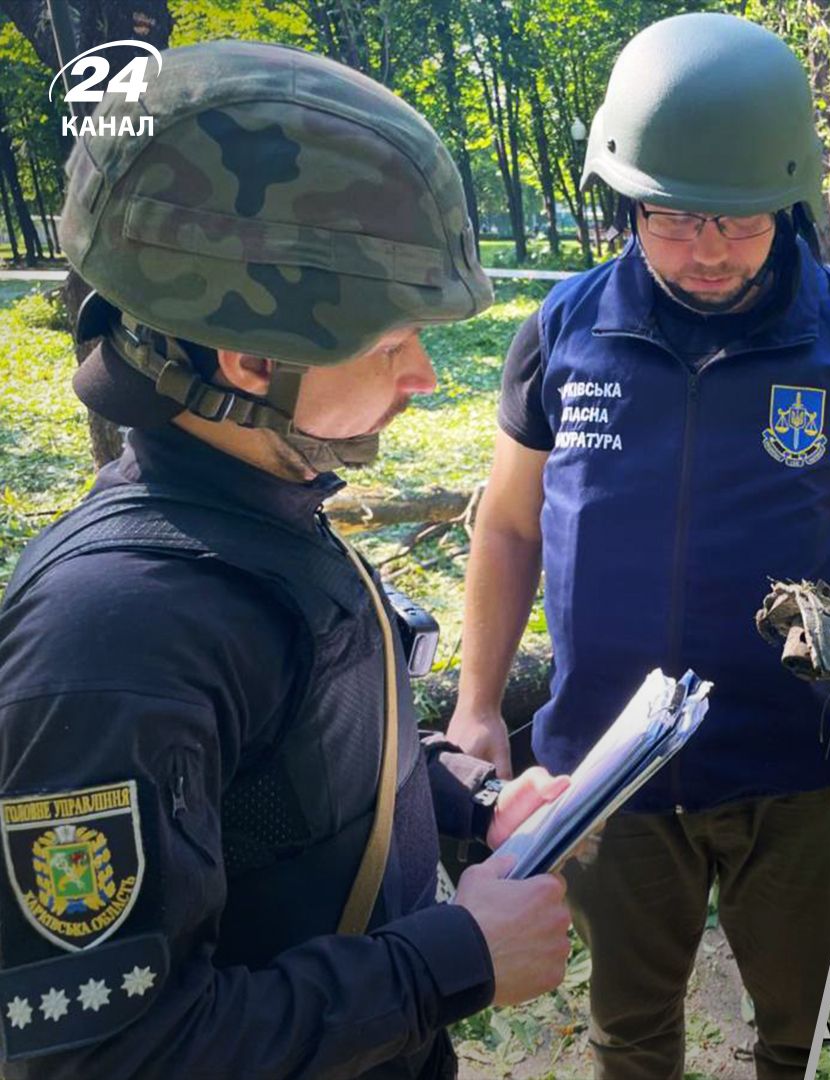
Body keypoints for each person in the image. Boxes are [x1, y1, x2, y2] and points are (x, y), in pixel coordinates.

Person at [0, 41, 574, 1078]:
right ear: (253, 360)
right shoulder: (115, 637)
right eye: (393, 339)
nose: (426, 378)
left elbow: (293, 792)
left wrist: (472, 803)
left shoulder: (267, 517)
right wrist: (453, 961)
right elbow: (105, 1055)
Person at [446, 12, 830, 1079]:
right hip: (608, 771)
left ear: (789, 199)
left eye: (741, 220)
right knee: (631, 1034)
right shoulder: (564, 331)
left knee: (800, 1030)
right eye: (672, 218)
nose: (707, 250)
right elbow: (510, 523)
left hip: (800, 769)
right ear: (627, 196)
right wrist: (481, 705)